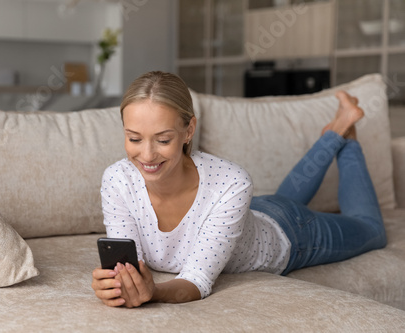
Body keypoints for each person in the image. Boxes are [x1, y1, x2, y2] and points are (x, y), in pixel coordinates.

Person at [91, 71, 387, 308]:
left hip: (291, 234)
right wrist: (115, 285)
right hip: (248, 215)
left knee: (372, 230)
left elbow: (197, 280)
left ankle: (346, 137)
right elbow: (128, 265)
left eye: (163, 140)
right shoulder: (118, 180)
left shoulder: (231, 182)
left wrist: (152, 292)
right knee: (280, 200)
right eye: (134, 138)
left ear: (188, 130)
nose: (146, 155)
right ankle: (331, 136)